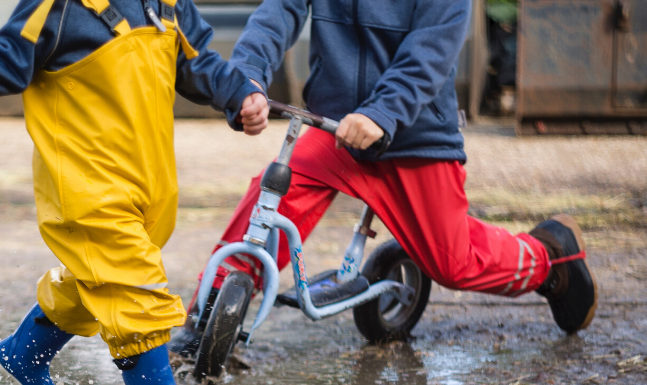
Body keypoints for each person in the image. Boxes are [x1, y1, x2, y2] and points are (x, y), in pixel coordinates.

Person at [0, 0, 272, 385]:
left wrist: (240, 94)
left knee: (97, 277)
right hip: (84, 180)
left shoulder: (167, 5)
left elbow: (197, 62)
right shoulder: (59, 7)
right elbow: (8, 54)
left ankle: (24, 354)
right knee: (131, 279)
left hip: (146, 179)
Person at [169, 0, 597, 359]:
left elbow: (432, 48)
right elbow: (278, 12)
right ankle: (207, 315)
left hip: (412, 136)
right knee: (272, 200)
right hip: (333, 127)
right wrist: (247, 80)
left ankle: (550, 258)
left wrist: (381, 112)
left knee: (454, 263)